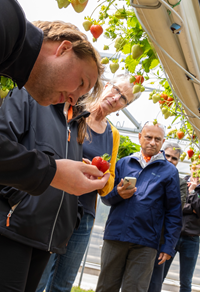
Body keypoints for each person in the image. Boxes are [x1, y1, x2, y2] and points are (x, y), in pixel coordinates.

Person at [36, 74, 141, 292]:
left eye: (123, 99)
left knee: (64, 282)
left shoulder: (113, 134)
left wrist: (98, 178)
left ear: (124, 106)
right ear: (108, 85)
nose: (116, 98)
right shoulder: (75, 110)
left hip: (84, 212)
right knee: (41, 273)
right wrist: (77, 164)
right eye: (116, 90)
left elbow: (108, 183)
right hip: (55, 202)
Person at [0, 0, 108, 196]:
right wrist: (54, 173)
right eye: (81, 83)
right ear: (64, 49)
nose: (73, 98)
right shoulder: (6, 17)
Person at [0, 87, 90, 292]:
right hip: (16, 226)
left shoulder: (77, 121)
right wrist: (17, 200)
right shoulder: (29, 96)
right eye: (82, 80)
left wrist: (72, 215)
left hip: (48, 236)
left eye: (89, 86)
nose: (83, 90)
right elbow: (4, 146)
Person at [95, 122, 182, 292]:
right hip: (116, 236)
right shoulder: (123, 163)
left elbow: (174, 212)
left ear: (163, 142)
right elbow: (105, 197)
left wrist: (168, 245)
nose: (152, 142)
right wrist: (117, 194)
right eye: (148, 137)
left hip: (146, 242)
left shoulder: (169, 172)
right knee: (106, 287)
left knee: (135, 289)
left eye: (157, 139)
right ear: (140, 137)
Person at [162, 170, 200, 292]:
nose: (198, 171)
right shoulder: (179, 183)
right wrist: (193, 208)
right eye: (196, 167)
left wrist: (191, 192)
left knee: (186, 281)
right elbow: (173, 206)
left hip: (191, 239)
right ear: (192, 168)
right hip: (172, 237)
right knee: (160, 274)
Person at [148, 141, 188, 292]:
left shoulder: (180, 183)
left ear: (178, 161)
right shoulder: (150, 172)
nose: (170, 160)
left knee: (154, 281)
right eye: (168, 156)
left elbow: (176, 209)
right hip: (141, 233)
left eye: (174, 158)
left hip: (160, 238)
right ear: (161, 154)